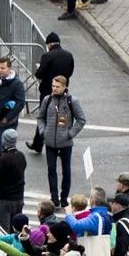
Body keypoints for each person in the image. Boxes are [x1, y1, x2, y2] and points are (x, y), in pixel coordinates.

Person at [38, 76, 87, 206]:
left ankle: (64, 197)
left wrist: (70, 134)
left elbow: (81, 119)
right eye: (53, 86)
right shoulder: (47, 100)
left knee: (66, 170)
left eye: (57, 87)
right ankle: (54, 197)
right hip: (50, 142)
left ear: (64, 87)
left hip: (65, 143)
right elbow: (40, 117)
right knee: (51, 170)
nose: (54, 89)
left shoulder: (72, 101)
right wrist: (43, 131)